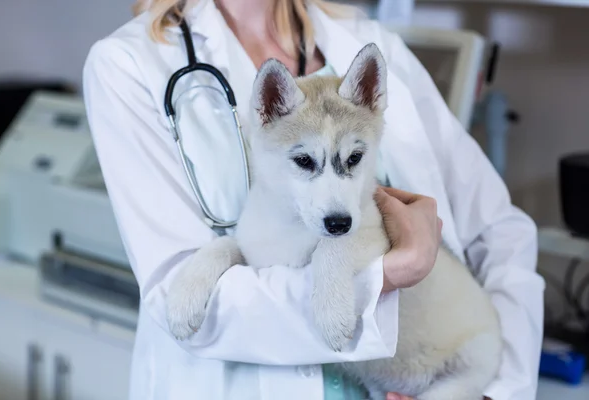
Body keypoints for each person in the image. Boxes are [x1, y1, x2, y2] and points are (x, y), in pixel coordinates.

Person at [82, 0, 545, 399]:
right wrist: (387, 273)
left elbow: (500, 231)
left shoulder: (368, 43)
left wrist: (491, 390)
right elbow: (179, 298)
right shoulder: (128, 64)